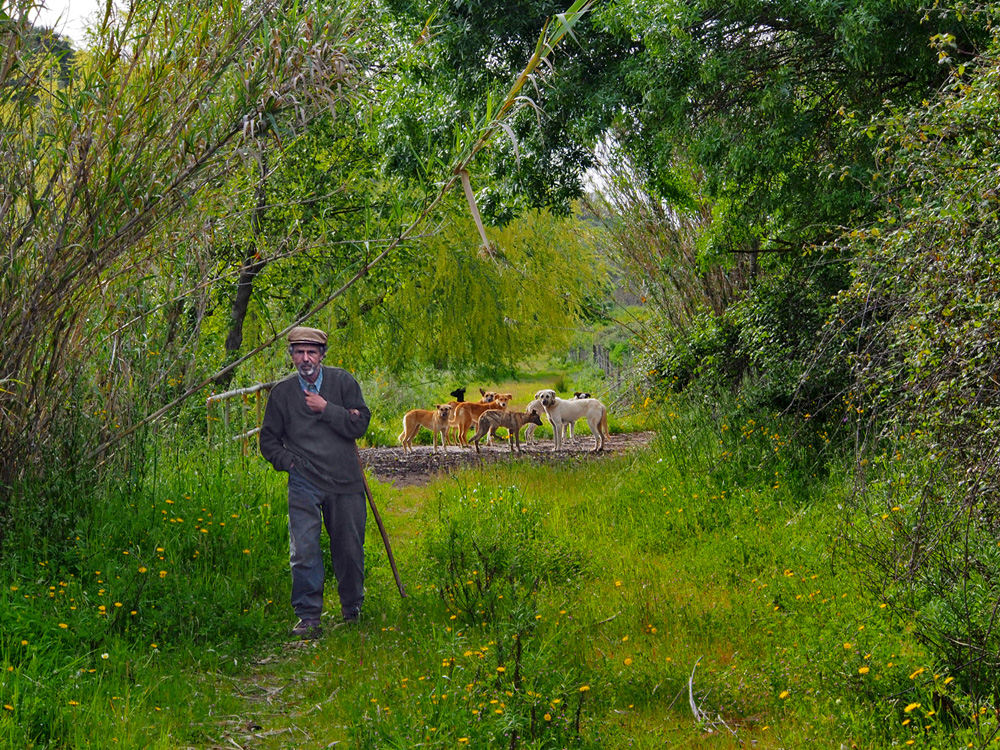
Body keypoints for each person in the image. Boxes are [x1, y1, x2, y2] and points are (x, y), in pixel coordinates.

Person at [259, 326, 372, 638]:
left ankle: (352, 609)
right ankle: (308, 617)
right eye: (299, 352)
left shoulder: (343, 382)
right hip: (304, 480)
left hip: (345, 479)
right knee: (304, 550)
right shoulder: (282, 394)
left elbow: (359, 423)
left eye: (312, 352)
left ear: (323, 354)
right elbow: (268, 441)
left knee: (349, 548)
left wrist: (328, 410)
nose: (305, 358)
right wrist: (289, 463)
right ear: (292, 356)